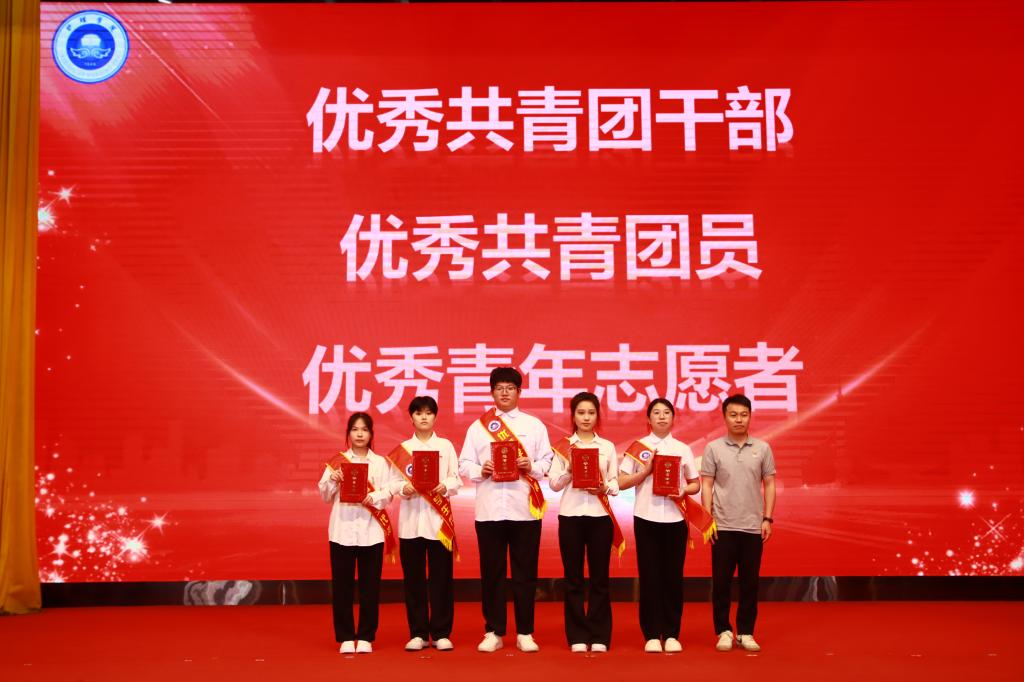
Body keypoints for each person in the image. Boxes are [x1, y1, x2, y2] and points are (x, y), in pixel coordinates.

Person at [458, 367, 553, 653]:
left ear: (519, 392)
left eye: (510, 388)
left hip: (525, 510)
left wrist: (531, 466)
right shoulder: (477, 427)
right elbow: (464, 464)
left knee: (525, 573)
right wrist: (481, 469)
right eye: (499, 388)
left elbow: (547, 462)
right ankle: (493, 631)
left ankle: (525, 632)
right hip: (489, 511)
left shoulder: (534, 425)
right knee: (492, 574)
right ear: (492, 392)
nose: (505, 393)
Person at [617, 398, 699, 653]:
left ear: (673, 418)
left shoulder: (683, 449)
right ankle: (652, 634)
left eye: (666, 413)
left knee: (673, 577)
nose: (662, 417)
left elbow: (695, 483)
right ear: (648, 419)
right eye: (656, 413)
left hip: (675, 519)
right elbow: (621, 482)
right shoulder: (638, 447)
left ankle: (672, 633)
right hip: (646, 518)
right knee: (650, 576)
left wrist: (683, 490)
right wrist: (645, 471)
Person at [548, 391, 624, 653]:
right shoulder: (563, 447)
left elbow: (615, 482)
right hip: (570, 517)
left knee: (599, 578)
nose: (586, 417)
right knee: (573, 578)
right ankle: (577, 635)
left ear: (597, 416)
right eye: (581, 412)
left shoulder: (607, 447)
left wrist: (605, 488)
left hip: (600, 518)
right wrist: (569, 471)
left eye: (591, 413)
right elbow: (554, 484)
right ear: (573, 416)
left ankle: (600, 634)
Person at [701, 394, 776, 653]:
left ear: (750, 416)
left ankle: (745, 632)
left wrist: (767, 518)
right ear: (724, 417)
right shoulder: (713, 448)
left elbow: (770, 484)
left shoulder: (763, 448)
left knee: (749, 583)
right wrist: (707, 519)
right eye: (733, 415)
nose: (739, 419)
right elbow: (707, 484)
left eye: (744, 415)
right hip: (722, 526)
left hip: (752, 526)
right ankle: (723, 630)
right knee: (721, 583)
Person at [386, 396, 462, 652]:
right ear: (411, 418)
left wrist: (445, 486)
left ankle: (441, 633)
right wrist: (403, 488)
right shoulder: (403, 449)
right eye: (419, 413)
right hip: (410, 524)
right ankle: (417, 633)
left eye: (429, 413)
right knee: (414, 581)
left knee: (442, 579)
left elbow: (456, 479)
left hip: (439, 523)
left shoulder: (445, 446)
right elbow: (392, 484)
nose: (424, 417)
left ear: (435, 416)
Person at [317, 412, 394, 654]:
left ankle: (367, 636)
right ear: (348, 433)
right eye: (355, 429)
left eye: (364, 429)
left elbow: (389, 492)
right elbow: (325, 495)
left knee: (370, 587)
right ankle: (346, 637)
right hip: (342, 531)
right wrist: (333, 479)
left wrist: (375, 496)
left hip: (371, 532)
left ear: (371, 434)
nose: (360, 434)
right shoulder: (337, 462)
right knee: (342, 587)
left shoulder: (380, 463)